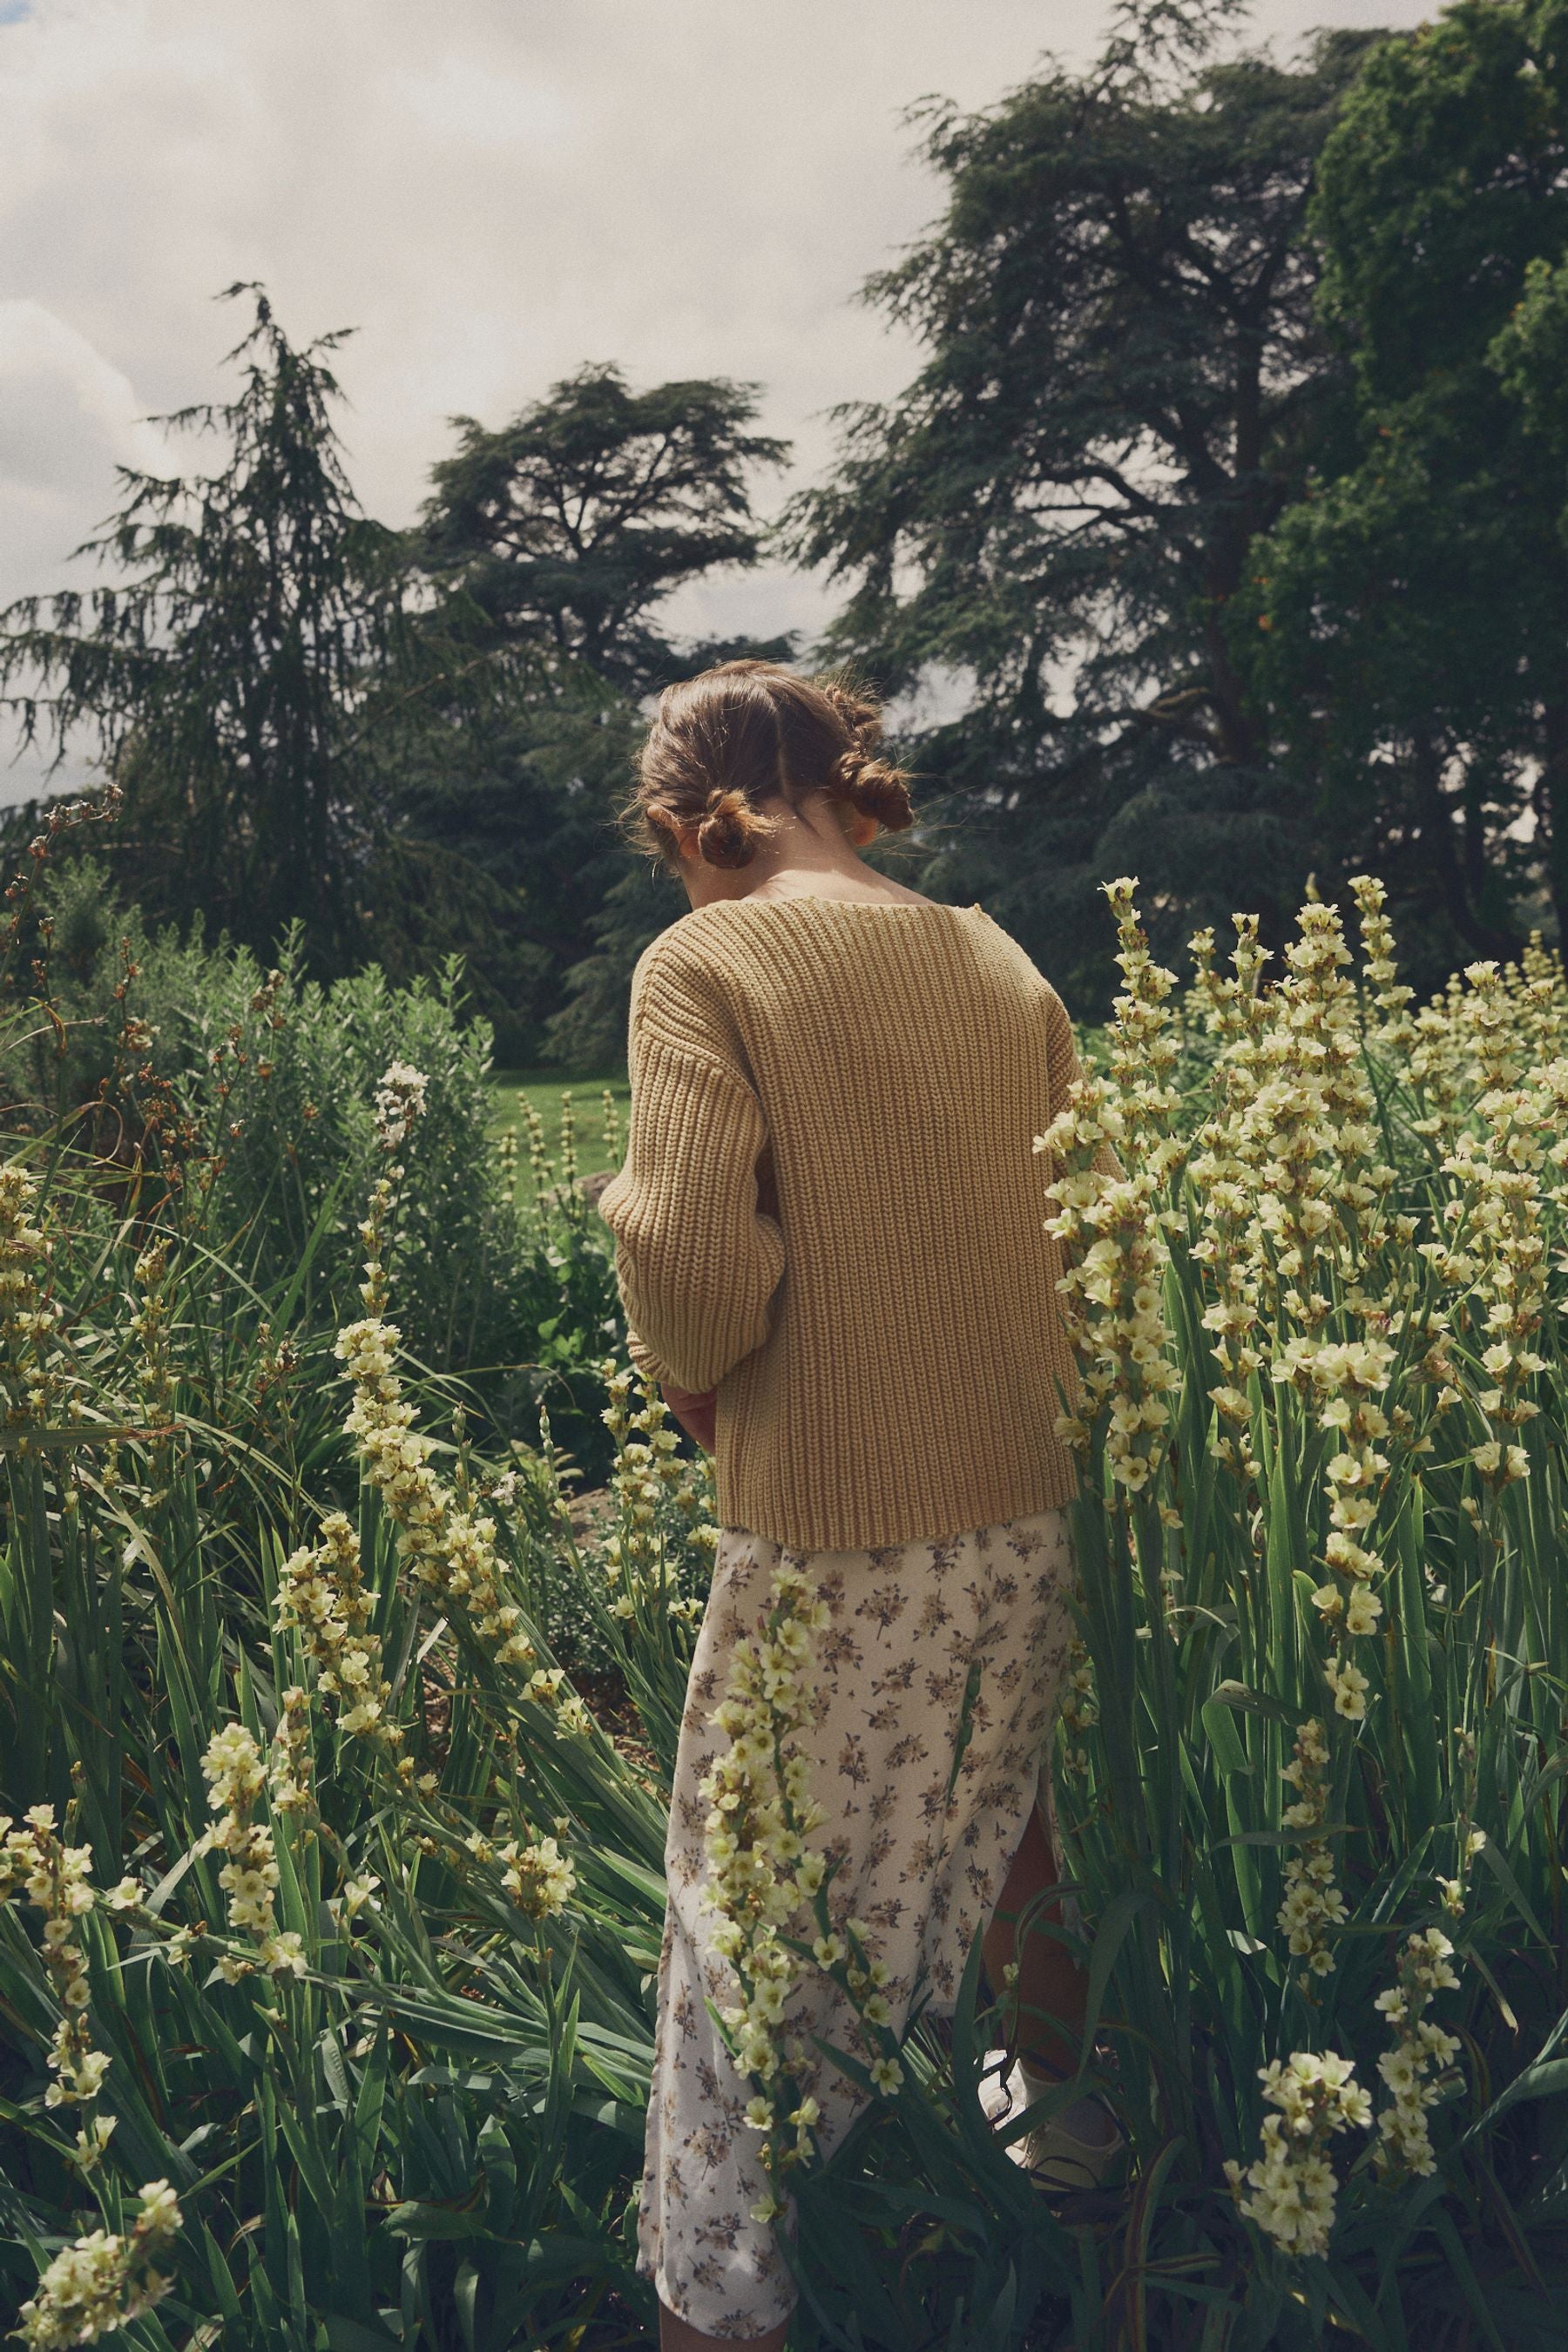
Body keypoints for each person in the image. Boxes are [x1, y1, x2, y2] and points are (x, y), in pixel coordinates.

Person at [595, 661, 1119, 2352]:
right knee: (1011, 1834)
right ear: (852, 787)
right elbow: (1079, 1235)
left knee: (739, 1962)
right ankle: (1083, 2184)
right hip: (1025, 1519)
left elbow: (687, 1278)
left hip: (836, 1550)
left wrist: (639, 1241)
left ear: (693, 824)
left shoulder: (707, 959)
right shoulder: (1000, 957)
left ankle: (720, 2322)